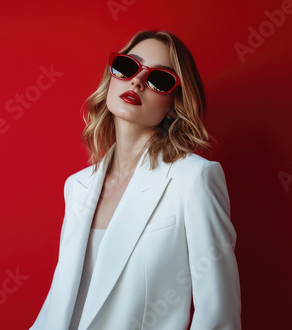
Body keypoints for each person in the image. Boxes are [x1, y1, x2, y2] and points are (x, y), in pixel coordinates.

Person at [30, 30, 241, 330]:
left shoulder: (193, 179)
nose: (137, 81)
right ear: (112, 76)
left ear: (174, 103)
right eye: (128, 66)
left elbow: (219, 314)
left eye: (160, 79)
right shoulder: (78, 187)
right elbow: (58, 305)